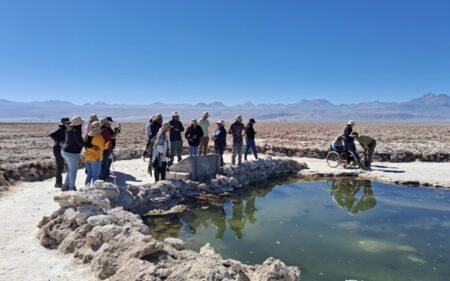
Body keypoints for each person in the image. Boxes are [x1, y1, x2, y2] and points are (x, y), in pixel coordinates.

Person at [61, 116, 91, 191]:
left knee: (71, 169)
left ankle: (65, 185)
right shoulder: (76, 131)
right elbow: (80, 142)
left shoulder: (69, 129)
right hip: (71, 153)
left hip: (65, 151)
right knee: (73, 170)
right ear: (79, 124)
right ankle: (72, 187)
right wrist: (90, 146)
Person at [84, 121, 107, 186]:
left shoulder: (88, 135)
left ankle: (86, 189)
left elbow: (84, 144)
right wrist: (108, 145)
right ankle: (94, 191)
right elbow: (103, 147)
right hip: (95, 158)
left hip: (87, 157)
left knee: (89, 175)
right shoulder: (98, 137)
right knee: (95, 177)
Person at [49, 117, 70, 188]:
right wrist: (59, 141)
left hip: (62, 150)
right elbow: (52, 134)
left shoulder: (66, 129)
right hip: (58, 150)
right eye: (68, 123)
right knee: (60, 166)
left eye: (69, 123)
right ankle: (58, 183)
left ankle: (60, 182)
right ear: (64, 123)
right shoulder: (61, 129)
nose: (69, 124)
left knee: (61, 166)